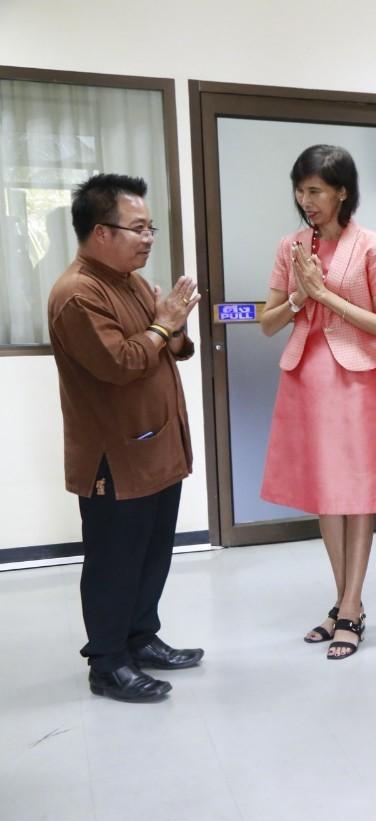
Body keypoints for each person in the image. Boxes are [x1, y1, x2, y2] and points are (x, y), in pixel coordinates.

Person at [47, 173, 204, 702]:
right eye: (138, 228)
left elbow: (171, 347)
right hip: (114, 457)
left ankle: (141, 637)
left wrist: (172, 327)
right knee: (114, 560)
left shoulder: (130, 280)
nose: (149, 238)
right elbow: (121, 363)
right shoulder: (78, 294)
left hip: (155, 444)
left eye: (150, 227)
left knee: (152, 551)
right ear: (101, 232)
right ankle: (108, 662)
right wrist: (162, 326)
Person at [258, 145, 376, 661]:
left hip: (355, 376)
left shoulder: (373, 246)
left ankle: (350, 603)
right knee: (326, 492)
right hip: (307, 375)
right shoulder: (291, 246)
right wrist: (300, 296)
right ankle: (346, 605)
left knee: (356, 491)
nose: (306, 200)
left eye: (315, 190)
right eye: (300, 190)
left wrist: (324, 295)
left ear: (342, 191)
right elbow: (268, 322)